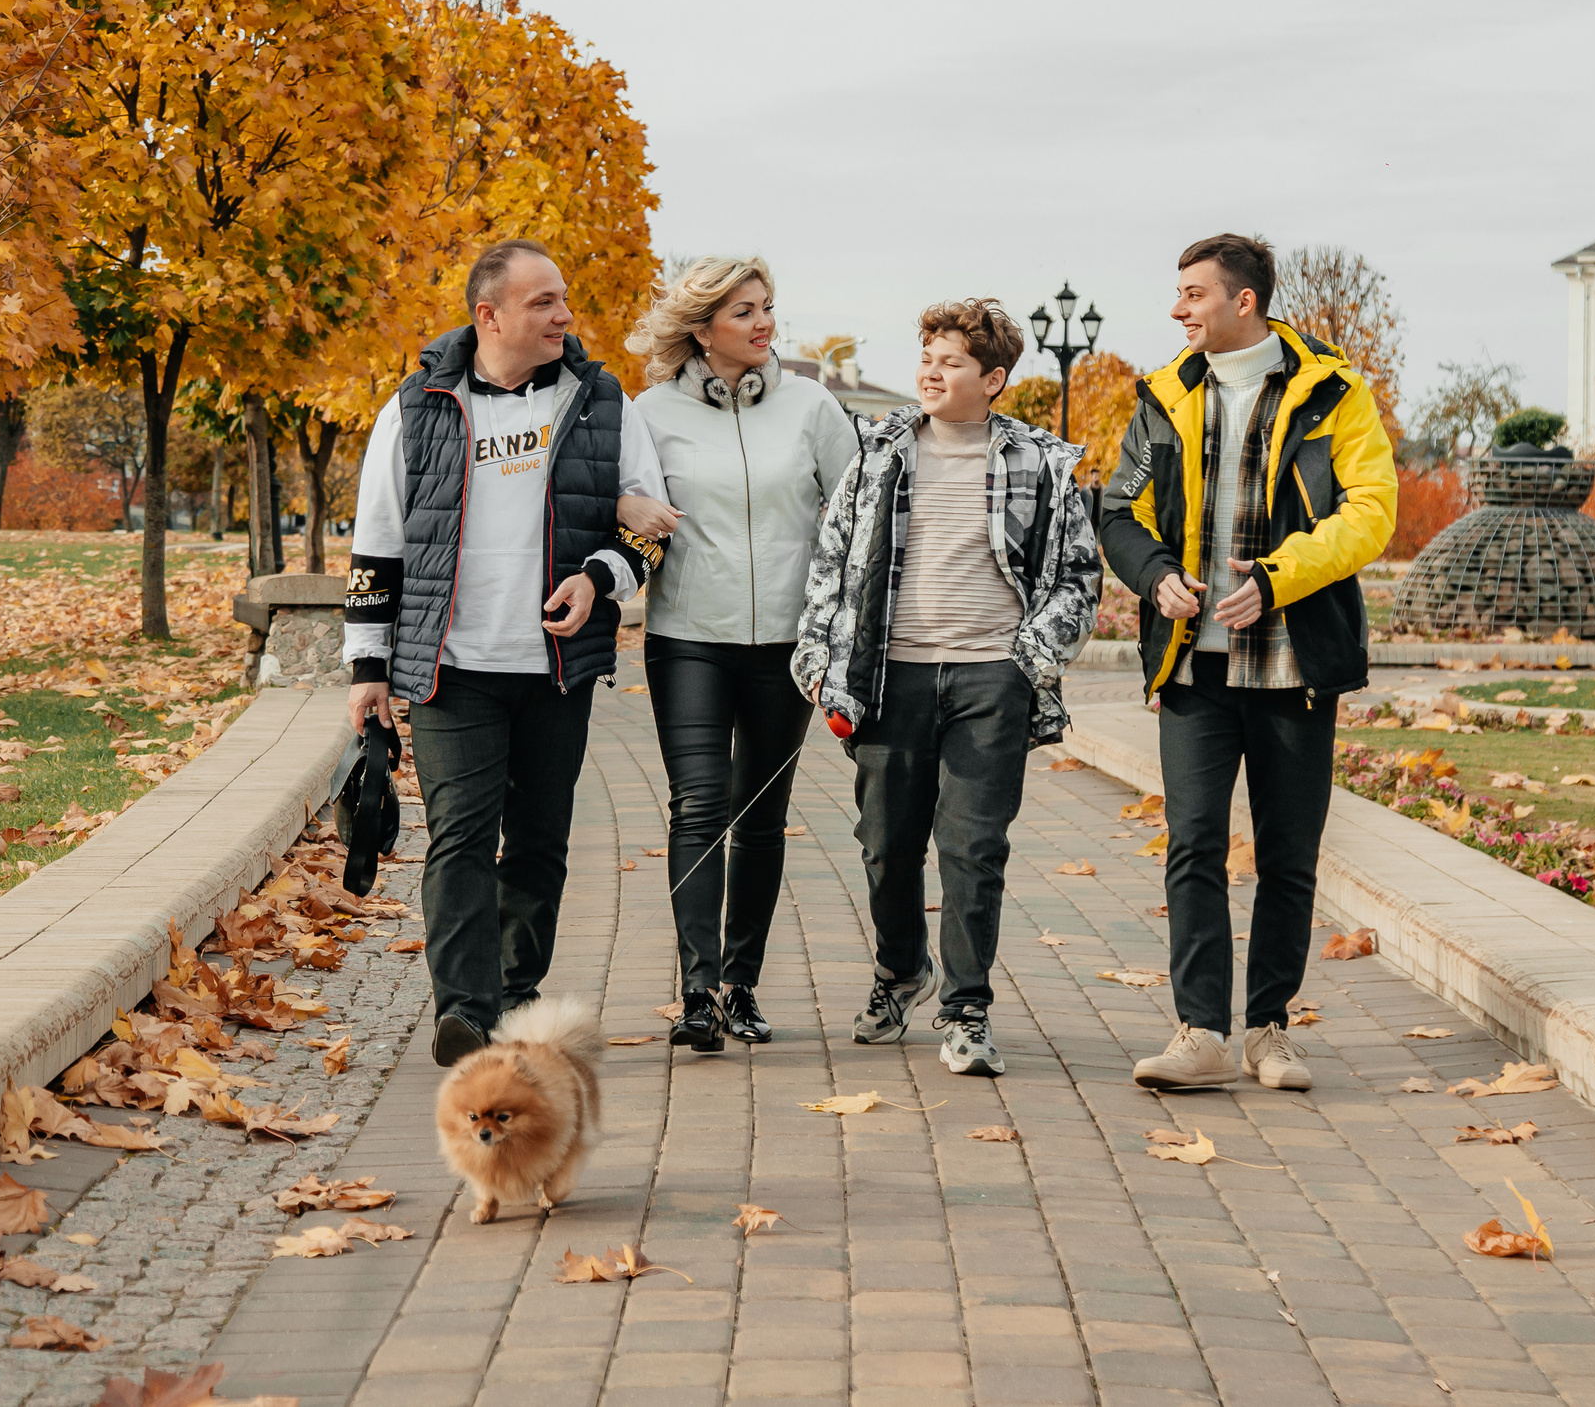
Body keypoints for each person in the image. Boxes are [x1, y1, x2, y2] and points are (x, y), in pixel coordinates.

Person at [342, 239, 670, 1068]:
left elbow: (650, 526)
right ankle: (464, 1009)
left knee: (536, 840)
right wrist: (366, 667)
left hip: (556, 670)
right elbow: (377, 541)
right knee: (458, 835)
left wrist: (601, 578)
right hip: (452, 667)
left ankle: (517, 993)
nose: (565, 315)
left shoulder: (600, 402)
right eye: (543, 302)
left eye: (563, 300)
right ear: (488, 315)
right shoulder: (416, 406)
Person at [1098, 234, 1396, 1092]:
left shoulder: (1334, 391)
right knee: (1192, 844)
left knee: (1287, 854)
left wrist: (1276, 579)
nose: (1177, 308)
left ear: (1244, 302)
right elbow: (1119, 510)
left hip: (1293, 666)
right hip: (1194, 666)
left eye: (1193, 293)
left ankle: (1268, 1030)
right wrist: (1154, 578)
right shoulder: (1162, 396)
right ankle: (1201, 1032)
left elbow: (1372, 511)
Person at [794, 299, 1098, 1079]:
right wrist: (822, 664)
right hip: (890, 678)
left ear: (993, 378)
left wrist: (1028, 657)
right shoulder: (878, 453)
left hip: (991, 679)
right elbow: (832, 567)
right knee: (885, 846)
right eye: (927, 354)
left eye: (952, 359)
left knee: (972, 849)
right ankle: (901, 970)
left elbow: (1078, 580)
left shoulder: (1041, 463)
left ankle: (967, 1010)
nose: (931, 369)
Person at [624, 257, 858, 1054]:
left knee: (761, 817)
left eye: (767, 308)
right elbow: (609, 493)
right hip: (689, 636)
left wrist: (840, 625)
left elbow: (857, 513)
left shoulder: (811, 405)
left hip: (786, 646)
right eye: (745, 312)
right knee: (698, 804)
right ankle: (696, 991)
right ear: (701, 328)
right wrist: (627, 500)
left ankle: (741, 984)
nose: (764, 324)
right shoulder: (649, 412)